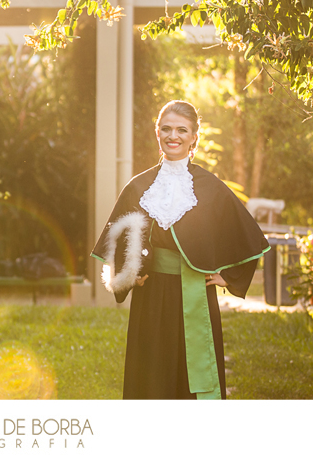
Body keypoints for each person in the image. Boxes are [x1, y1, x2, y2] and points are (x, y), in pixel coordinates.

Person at [90, 100, 270, 399]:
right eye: (167, 129)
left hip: (196, 293)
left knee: (191, 379)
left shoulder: (210, 186)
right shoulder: (139, 186)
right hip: (152, 295)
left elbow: (247, 237)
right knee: (152, 373)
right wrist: (127, 275)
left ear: (194, 137)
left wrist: (230, 274)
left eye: (182, 130)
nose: (173, 136)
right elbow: (118, 239)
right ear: (157, 132)